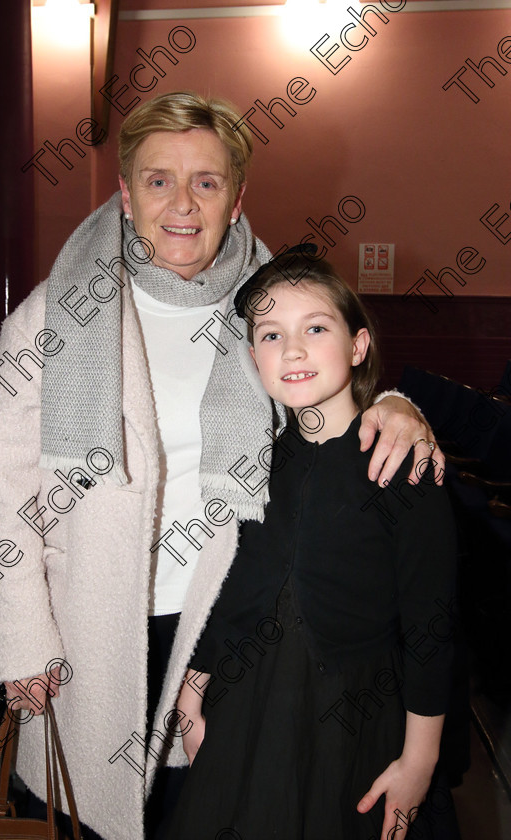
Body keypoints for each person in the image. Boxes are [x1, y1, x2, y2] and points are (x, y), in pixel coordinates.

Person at [0, 92, 443, 840]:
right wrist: (21, 636)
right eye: (159, 180)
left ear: (237, 195)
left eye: (207, 181)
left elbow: (323, 382)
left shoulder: (266, 304)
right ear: (126, 194)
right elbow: (2, 487)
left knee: (205, 814)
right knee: (86, 814)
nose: (182, 204)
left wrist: (392, 401)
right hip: (87, 629)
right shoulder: (53, 313)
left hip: (227, 629)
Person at [166, 249, 459, 840]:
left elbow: (433, 626)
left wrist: (419, 761)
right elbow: (235, 589)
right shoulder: (254, 462)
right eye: (271, 334)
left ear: (358, 346)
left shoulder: (402, 466)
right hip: (249, 701)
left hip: (357, 712)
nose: (292, 350)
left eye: (315, 328)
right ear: (254, 358)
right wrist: (191, 696)